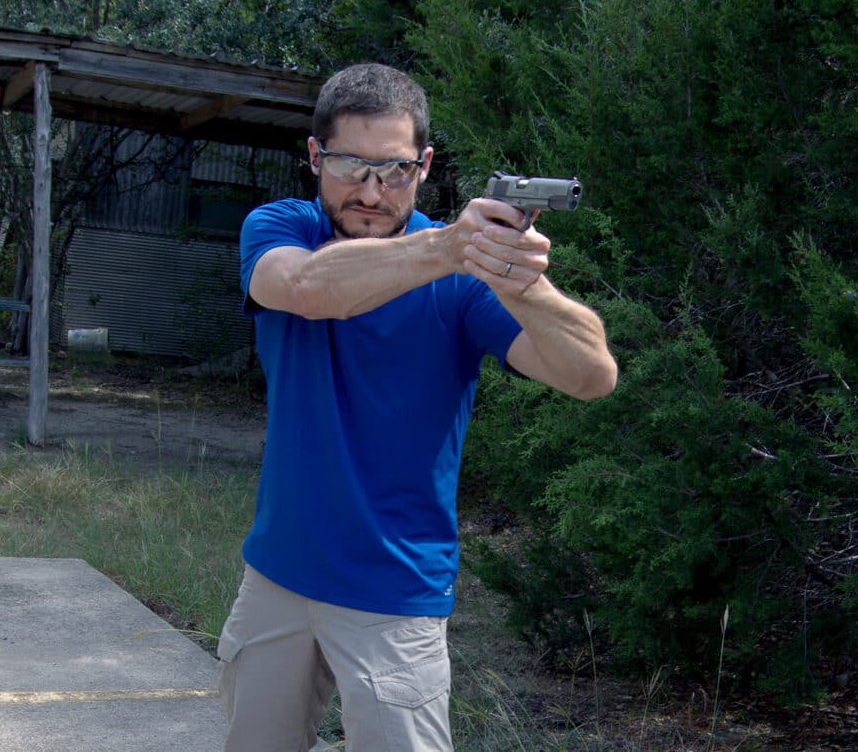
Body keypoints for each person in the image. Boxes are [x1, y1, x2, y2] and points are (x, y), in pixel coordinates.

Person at [217, 62, 617, 752]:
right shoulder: (283, 227)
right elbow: (307, 289)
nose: (371, 192)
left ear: (424, 165)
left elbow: (592, 376)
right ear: (314, 156)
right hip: (276, 578)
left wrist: (522, 286)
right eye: (350, 166)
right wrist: (450, 247)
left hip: (395, 598)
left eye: (395, 170)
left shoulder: (460, 279)